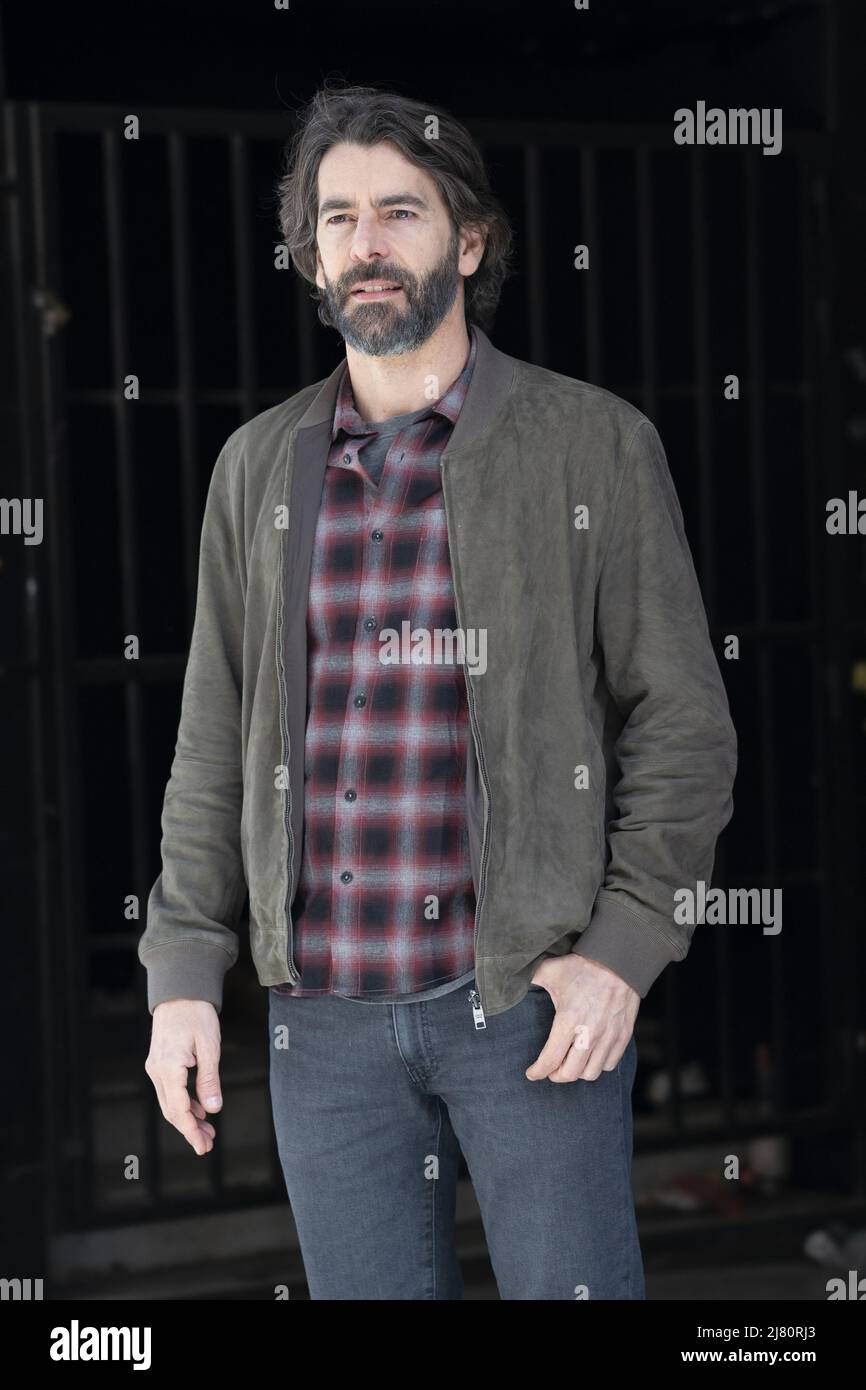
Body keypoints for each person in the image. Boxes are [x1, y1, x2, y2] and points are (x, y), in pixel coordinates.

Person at [140, 81, 737, 1300]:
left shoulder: (591, 446)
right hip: (325, 1028)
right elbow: (212, 743)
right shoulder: (255, 465)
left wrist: (620, 950)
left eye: (399, 212)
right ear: (308, 254)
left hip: (526, 1007)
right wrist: (183, 975)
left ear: (465, 242)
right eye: (338, 217)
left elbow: (679, 721)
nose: (366, 243)